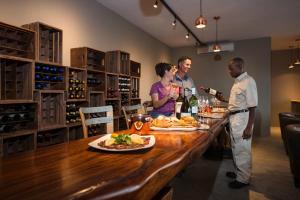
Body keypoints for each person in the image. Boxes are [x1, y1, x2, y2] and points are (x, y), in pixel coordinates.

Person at [224, 57, 258, 189]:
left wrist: (249, 127)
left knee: (242, 149)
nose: (229, 71)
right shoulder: (237, 82)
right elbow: (238, 102)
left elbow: (253, 106)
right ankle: (239, 172)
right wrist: (224, 100)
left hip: (243, 119)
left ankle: (243, 179)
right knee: (235, 147)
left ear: (240, 67)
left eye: (231, 69)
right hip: (235, 118)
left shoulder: (248, 81)